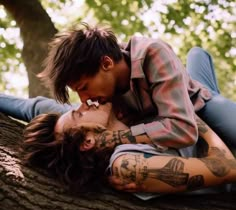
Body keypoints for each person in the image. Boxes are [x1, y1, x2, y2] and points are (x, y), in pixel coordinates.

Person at [38, 23, 236, 152]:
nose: (83, 100)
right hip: (178, 89)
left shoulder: (153, 53)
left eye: (83, 87)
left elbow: (183, 129)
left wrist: (112, 138)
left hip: (200, 102)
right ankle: (195, 62)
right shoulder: (102, 98)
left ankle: (198, 59)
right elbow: (38, 108)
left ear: (106, 64)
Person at [16, 101, 236, 200]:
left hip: (219, 125)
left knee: (197, 54)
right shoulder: (126, 165)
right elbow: (227, 168)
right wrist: (188, 110)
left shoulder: (135, 126)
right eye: (78, 113)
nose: (83, 104)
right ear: (88, 142)